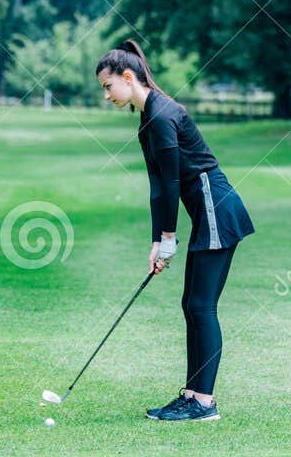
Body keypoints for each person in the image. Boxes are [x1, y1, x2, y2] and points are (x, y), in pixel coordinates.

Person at [96, 40, 254, 422]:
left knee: (202, 306)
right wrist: (158, 240)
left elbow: (171, 184)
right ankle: (192, 393)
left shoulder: (164, 115)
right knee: (191, 305)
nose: (106, 95)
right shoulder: (148, 119)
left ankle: (203, 402)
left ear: (128, 77)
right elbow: (157, 187)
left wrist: (169, 239)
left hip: (217, 209)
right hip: (206, 212)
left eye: (107, 86)